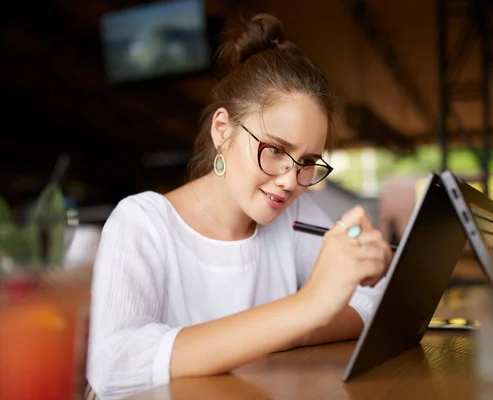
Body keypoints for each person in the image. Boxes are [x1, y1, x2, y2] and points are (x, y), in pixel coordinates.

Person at [86, 13, 392, 399]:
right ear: (222, 131)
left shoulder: (293, 215)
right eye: (275, 150)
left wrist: (292, 326)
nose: (290, 179)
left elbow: (377, 298)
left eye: (308, 161)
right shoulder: (143, 222)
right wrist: (307, 307)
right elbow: (115, 364)